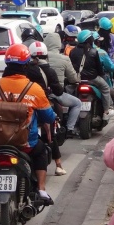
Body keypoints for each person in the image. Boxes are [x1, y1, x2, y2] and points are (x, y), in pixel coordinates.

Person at [0, 44, 57, 205]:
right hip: (27, 143)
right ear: (27, 65)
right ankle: (42, 189)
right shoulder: (34, 89)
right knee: (42, 151)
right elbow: (48, 116)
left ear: (7, 64)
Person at [28, 41, 69, 175]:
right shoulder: (49, 71)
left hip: (26, 105)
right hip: (43, 105)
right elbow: (58, 91)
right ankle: (58, 165)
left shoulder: (25, 70)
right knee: (53, 132)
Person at [44, 32, 81, 140]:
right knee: (77, 103)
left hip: (41, 93)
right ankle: (69, 129)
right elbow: (73, 78)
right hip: (57, 94)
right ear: (59, 44)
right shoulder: (64, 59)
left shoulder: (40, 58)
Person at [68, 30, 113, 121]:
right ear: (90, 40)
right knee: (105, 88)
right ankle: (106, 112)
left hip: (78, 79)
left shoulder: (72, 51)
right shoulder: (94, 51)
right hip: (93, 79)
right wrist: (102, 75)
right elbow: (99, 69)